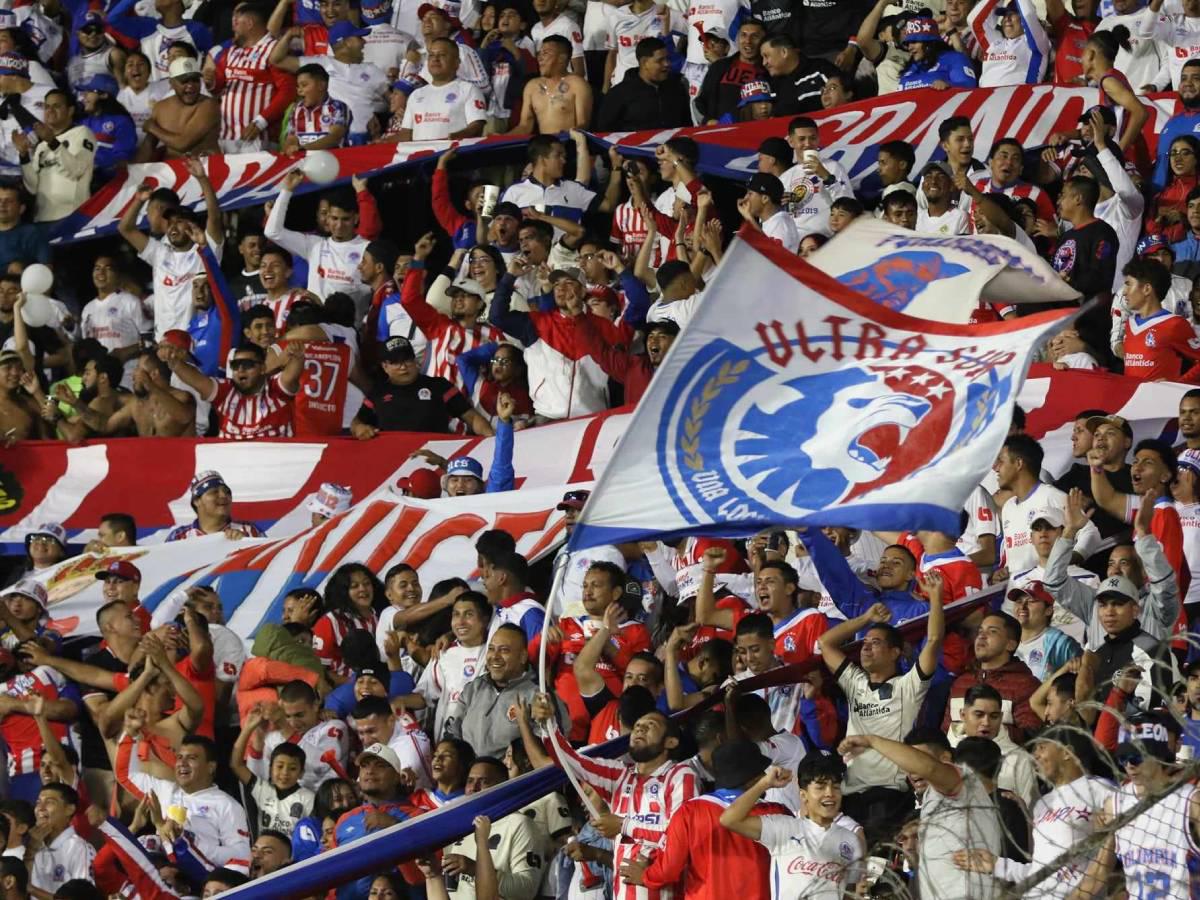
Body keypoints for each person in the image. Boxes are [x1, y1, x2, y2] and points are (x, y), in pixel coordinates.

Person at [532, 697, 699, 900]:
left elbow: (682, 837)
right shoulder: (619, 775)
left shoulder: (681, 775)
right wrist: (548, 725)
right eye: (637, 726)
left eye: (650, 725)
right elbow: (569, 761)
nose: (640, 728)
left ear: (670, 742)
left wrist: (623, 825)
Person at [819, 578, 944, 845]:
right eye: (864, 642)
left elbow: (934, 639)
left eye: (875, 643)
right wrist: (866, 618)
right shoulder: (855, 682)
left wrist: (935, 597)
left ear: (895, 652)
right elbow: (825, 643)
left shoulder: (908, 687)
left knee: (881, 865)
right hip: (850, 798)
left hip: (889, 798)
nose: (865, 647)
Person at [618, 740, 790, 900]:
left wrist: (646, 876)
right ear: (754, 778)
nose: (764, 776)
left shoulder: (689, 811)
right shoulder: (777, 812)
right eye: (761, 772)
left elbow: (668, 870)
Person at [1072, 720, 1200, 899]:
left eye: (1136, 758)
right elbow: (1099, 871)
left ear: (1158, 756)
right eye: (1123, 759)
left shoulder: (1189, 801)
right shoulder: (1116, 804)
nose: (1129, 765)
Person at [718, 757, 863, 899]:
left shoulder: (851, 839)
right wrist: (765, 783)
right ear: (803, 795)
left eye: (836, 787)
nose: (830, 793)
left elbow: (850, 891)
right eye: (820, 787)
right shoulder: (783, 827)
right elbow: (729, 820)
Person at [118, 160, 224, 339]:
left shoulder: (205, 252)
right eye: (170, 222)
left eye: (179, 221)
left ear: (192, 226)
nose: (173, 226)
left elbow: (214, 216)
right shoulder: (159, 253)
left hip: (195, 340)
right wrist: (138, 200)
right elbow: (125, 229)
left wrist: (202, 178)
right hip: (163, 343)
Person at [444, 624, 562, 757]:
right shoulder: (474, 688)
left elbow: (553, 749)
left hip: (513, 770)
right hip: (470, 769)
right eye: (491, 649)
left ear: (523, 657)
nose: (495, 656)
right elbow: (452, 733)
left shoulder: (539, 694)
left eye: (504, 650)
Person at [265, 172, 372, 310]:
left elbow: (370, 290)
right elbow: (272, 232)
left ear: (356, 219)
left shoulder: (367, 248)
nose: (339, 225)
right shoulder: (315, 245)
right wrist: (287, 190)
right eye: (334, 218)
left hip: (349, 322)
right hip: (316, 321)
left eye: (345, 219)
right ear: (327, 219)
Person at [213, 2, 296, 153]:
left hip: (258, 137)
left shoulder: (274, 50)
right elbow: (217, 84)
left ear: (249, 23)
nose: (233, 27)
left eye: (237, 22)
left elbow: (288, 91)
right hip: (225, 137)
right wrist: (210, 81)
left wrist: (261, 121)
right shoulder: (231, 51)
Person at [17, 89, 94, 223]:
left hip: (72, 216)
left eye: (56, 106)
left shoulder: (82, 133)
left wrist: (53, 142)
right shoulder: (42, 146)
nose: (50, 110)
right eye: (47, 107)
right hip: (42, 218)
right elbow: (33, 187)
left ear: (70, 110)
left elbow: (76, 170)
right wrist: (23, 156)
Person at [396, 38, 487, 141]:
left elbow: (477, 128)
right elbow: (406, 135)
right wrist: (383, 142)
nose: (435, 59)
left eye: (442, 55)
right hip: (421, 152)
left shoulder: (469, 90)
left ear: (456, 62)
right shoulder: (416, 95)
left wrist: (452, 139)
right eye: (431, 55)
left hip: (454, 150)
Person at [595, 38, 688, 133]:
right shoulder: (618, 94)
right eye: (660, 60)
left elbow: (687, 125)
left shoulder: (677, 88)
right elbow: (605, 132)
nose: (667, 64)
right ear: (644, 63)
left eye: (667, 58)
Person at [139, 57, 220, 158]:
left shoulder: (209, 105)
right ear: (171, 83)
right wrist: (132, 167)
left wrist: (152, 127)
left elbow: (183, 144)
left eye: (195, 80)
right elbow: (148, 147)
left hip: (206, 165)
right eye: (184, 81)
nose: (190, 85)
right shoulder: (160, 107)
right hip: (171, 165)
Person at [511, 35, 592, 135]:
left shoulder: (577, 85)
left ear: (562, 58)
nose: (540, 58)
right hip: (543, 144)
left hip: (568, 143)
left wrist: (565, 137)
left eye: (545, 53)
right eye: (539, 53)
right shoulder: (532, 86)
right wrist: (502, 138)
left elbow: (583, 124)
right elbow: (525, 126)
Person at [27, 784, 94, 900]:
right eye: (38, 802)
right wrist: (31, 847)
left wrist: (31, 889)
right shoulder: (33, 845)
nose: (41, 808)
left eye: (49, 802)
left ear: (69, 809)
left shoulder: (79, 848)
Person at [165, 471, 264, 542]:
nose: (224, 496)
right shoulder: (178, 538)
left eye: (227, 492)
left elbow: (268, 561)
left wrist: (247, 543)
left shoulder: (249, 531)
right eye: (214, 492)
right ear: (196, 501)